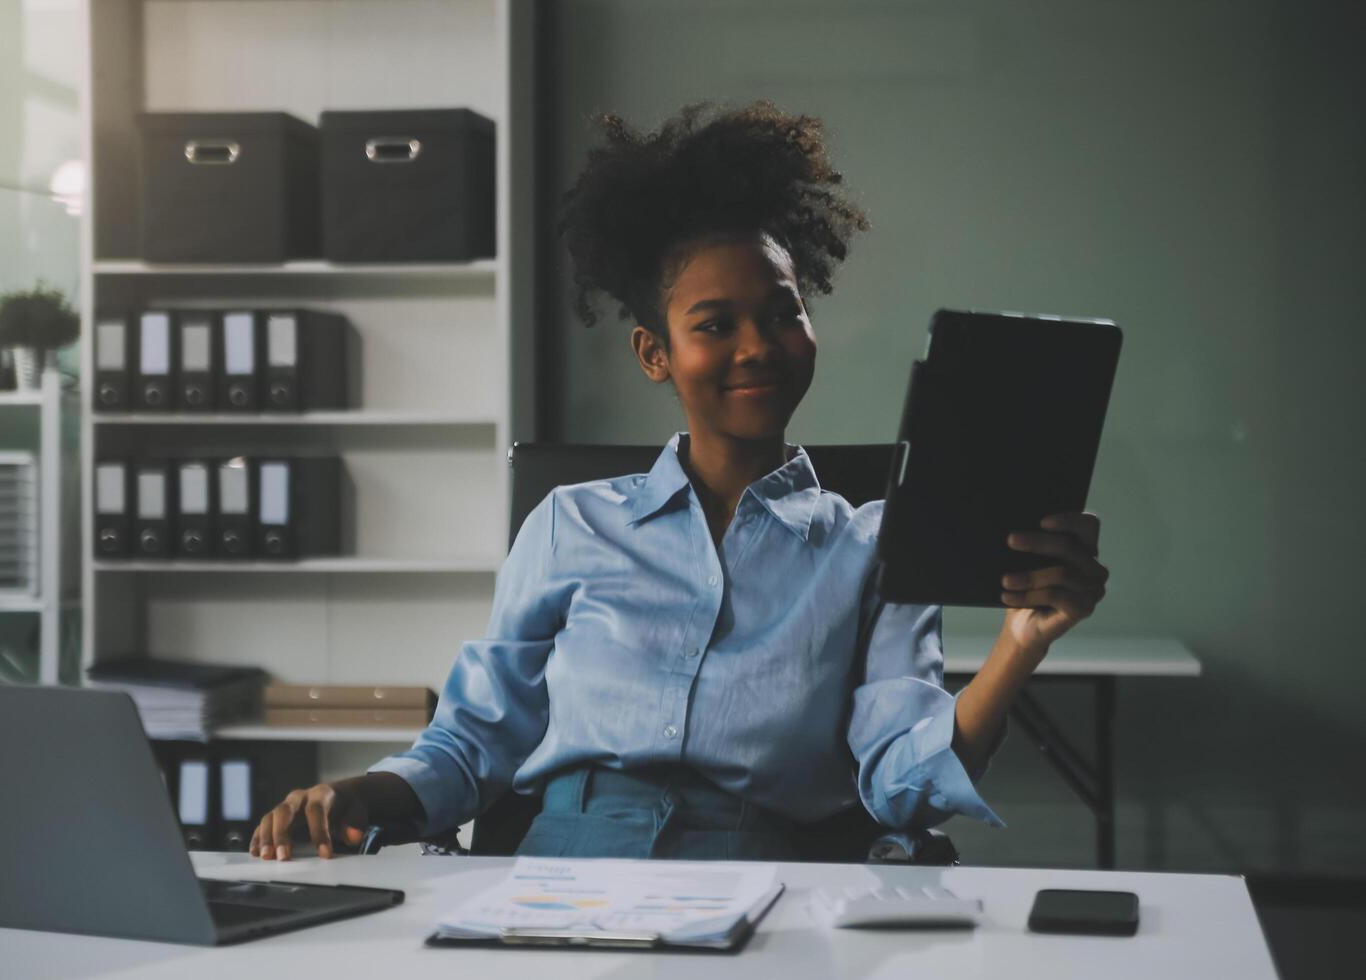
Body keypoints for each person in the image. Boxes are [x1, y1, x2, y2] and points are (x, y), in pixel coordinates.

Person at [250, 102, 1109, 862]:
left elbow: (900, 782)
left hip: (765, 880)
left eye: (782, 314)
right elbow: (474, 745)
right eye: (714, 324)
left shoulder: (875, 544)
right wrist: (361, 793)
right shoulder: (568, 525)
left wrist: (1020, 644)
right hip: (562, 873)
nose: (757, 346)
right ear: (655, 354)